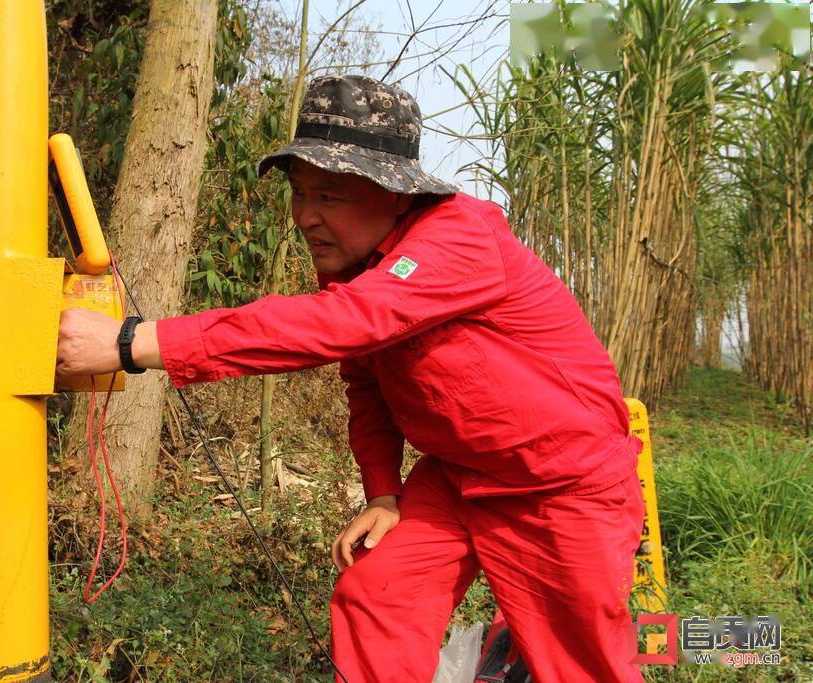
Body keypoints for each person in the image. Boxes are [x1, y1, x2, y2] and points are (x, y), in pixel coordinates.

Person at [56, 74, 645, 683]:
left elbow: (345, 324)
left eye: (330, 197)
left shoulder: (456, 238)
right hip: (456, 475)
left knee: (578, 663)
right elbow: (368, 384)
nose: (305, 217)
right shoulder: (363, 266)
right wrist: (384, 492)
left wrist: (131, 343)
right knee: (378, 597)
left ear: (394, 194)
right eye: (299, 193)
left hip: (557, 481)